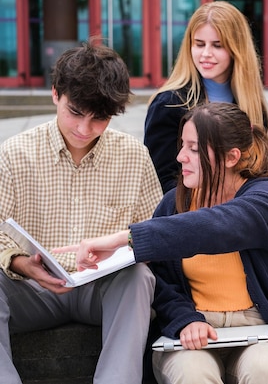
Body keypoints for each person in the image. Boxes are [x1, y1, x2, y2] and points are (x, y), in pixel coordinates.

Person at [59, 102, 268, 383]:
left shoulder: (267, 196)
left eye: (193, 148)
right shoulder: (172, 204)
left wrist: (126, 237)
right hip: (192, 328)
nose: (180, 157)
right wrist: (185, 318)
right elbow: (160, 281)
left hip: (259, 326)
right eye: (182, 146)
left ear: (231, 157)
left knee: (265, 370)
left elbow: (218, 226)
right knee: (193, 373)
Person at [142, 1, 268, 377]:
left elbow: (265, 176)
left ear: (236, 48)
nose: (206, 54)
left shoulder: (249, 100)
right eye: (199, 43)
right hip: (194, 220)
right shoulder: (171, 103)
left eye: (217, 45)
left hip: (244, 219)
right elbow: (168, 179)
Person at [0, 41, 163, 384]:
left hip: (101, 293)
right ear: (55, 94)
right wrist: (20, 263)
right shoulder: (14, 153)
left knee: (139, 278)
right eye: (75, 112)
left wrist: (125, 252)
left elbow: (155, 232)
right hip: (30, 290)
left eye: (99, 118)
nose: (85, 129)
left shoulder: (133, 155)